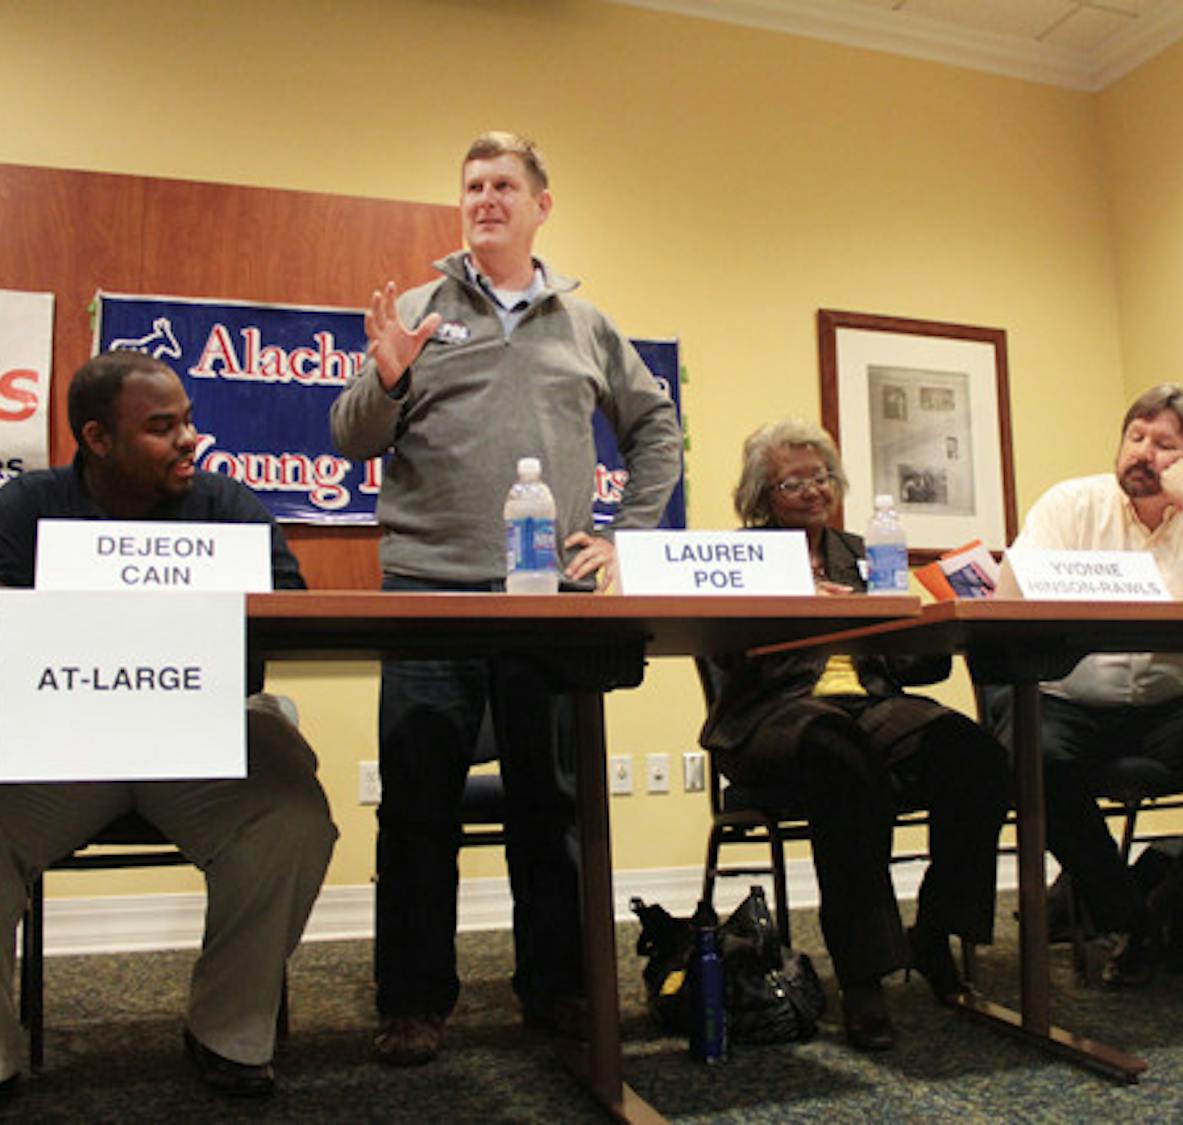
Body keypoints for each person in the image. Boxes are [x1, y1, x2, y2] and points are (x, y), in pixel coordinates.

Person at [329, 131, 682, 1065]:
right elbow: (351, 440)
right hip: (428, 594)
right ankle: (412, 1001)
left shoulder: (586, 323)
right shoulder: (413, 308)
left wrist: (626, 541)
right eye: (472, 185)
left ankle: (559, 987)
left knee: (551, 804)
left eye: (503, 185)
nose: (485, 198)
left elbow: (655, 430)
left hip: (547, 600)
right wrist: (390, 376)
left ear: (540, 205)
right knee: (415, 807)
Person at [0, 351, 337, 1099]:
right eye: (162, 426)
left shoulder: (227, 504)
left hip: (203, 733)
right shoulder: (27, 506)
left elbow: (287, 605)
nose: (190, 438)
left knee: (291, 817)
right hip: (67, 743)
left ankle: (228, 1031)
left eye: (186, 419)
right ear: (97, 438)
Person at [699, 419, 1009, 1051]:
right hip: (775, 711)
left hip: (868, 700)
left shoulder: (866, 550)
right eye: (795, 482)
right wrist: (796, 600)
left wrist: (921, 622)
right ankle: (864, 974)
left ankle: (936, 929)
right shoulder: (738, 555)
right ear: (762, 495)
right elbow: (728, 653)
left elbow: (918, 667)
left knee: (973, 753)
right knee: (840, 755)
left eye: (822, 478)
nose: (815, 492)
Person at [984, 384, 1183, 986]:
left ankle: (1180, 906)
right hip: (1065, 695)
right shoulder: (1071, 503)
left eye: (1164, 445)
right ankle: (1128, 918)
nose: (1141, 454)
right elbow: (1014, 600)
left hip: (1164, 703)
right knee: (1034, 760)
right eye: (1135, 437)